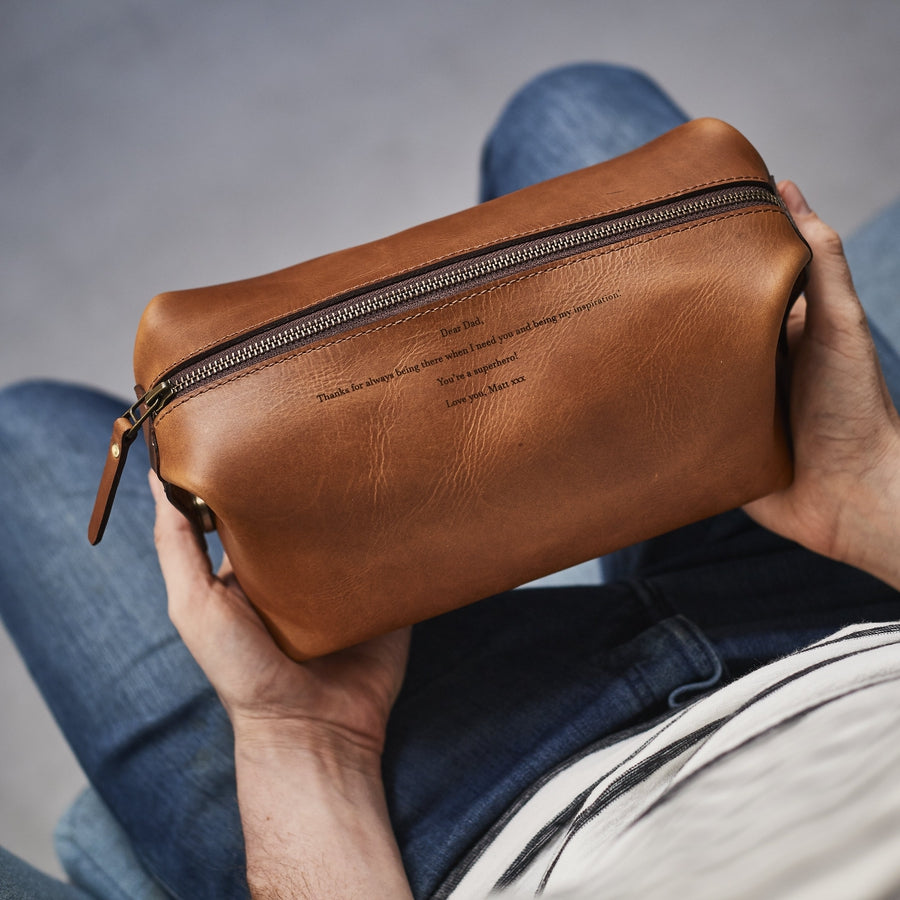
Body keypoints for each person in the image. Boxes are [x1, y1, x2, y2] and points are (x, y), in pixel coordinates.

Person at [1, 63, 899, 899]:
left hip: (450, 812)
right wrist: (867, 491)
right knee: (571, 106)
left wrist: (302, 738)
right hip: (851, 612)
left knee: (21, 440)